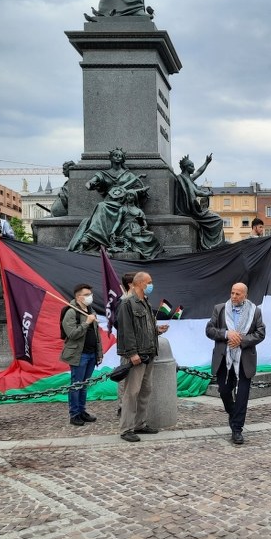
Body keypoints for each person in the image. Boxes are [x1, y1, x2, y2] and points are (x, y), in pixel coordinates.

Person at [206, 283, 266, 444]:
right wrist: (226, 334)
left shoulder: (255, 312)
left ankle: (237, 429)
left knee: (242, 396)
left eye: (238, 294)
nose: (234, 296)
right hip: (223, 359)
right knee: (225, 391)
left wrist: (241, 340)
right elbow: (209, 330)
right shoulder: (220, 309)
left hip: (245, 360)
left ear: (245, 295)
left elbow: (260, 333)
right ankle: (233, 414)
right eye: (232, 293)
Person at [115, 271, 167, 442]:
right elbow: (126, 331)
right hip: (136, 356)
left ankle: (139, 424)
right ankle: (126, 429)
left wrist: (156, 331)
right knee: (132, 392)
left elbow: (143, 328)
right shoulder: (127, 304)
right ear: (139, 284)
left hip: (149, 353)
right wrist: (132, 353)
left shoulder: (145, 301)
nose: (151, 285)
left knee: (145, 391)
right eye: (149, 282)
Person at [60, 284, 103, 426]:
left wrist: (99, 352)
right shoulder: (71, 312)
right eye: (87, 294)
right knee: (76, 384)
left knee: (84, 385)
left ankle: (82, 410)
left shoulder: (91, 310)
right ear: (79, 297)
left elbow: (97, 335)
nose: (90, 296)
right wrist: (86, 323)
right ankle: (74, 414)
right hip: (79, 354)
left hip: (91, 354)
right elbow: (71, 334)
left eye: (90, 293)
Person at [173, 154, 226, 250]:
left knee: (217, 219)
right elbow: (196, 192)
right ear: (186, 167)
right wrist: (207, 194)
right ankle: (210, 244)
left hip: (195, 209)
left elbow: (199, 172)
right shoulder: (181, 179)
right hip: (193, 211)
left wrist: (206, 162)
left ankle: (211, 242)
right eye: (191, 166)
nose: (194, 168)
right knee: (218, 220)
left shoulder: (189, 179)